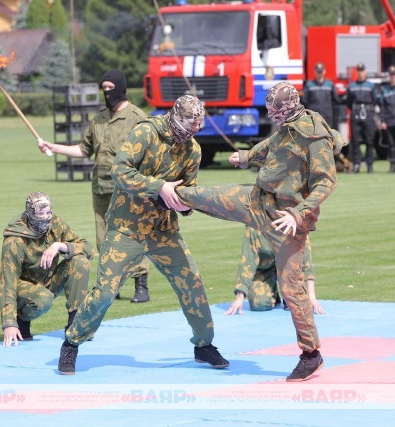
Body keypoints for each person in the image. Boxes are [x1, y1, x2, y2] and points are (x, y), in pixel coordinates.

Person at [173, 81, 344, 382]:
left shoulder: (314, 136)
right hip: (258, 200)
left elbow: (326, 182)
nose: (270, 116)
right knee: (208, 196)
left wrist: (298, 213)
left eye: (273, 111)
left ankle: (311, 355)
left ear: (285, 109)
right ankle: (166, 195)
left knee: (292, 289)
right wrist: (247, 156)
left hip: (285, 220)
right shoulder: (289, 125)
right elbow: (273, 143)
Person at [57, 95, 230, 374]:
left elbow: (187, 189)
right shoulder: (146, 133)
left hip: (163, 230)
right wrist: (158, 187)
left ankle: (203, 344)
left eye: (198, 126)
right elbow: (119, 170)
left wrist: (187, 204)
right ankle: (72, 343)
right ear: (176, 118)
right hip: (126, 228)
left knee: (192, 283)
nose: (194, 131)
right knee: (105, 292)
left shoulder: (193, 150)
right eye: (190, 125)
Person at [40, 69, 151, 303]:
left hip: (128, 188)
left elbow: (149, 154)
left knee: (131, 236)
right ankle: (112, 283)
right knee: (104, 239)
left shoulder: (137, 117)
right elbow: (83, 150)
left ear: (121, 88)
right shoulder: (99, 119)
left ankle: (141, 284)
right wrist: (53, 147)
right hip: (100, 187)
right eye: (104, 88)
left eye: (111, 88)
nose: (107, 92)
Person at [0, 192, 94, 347]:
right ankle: (21, 321)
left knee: (80, 261)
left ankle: (76, 325)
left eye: (48, 213)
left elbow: (88, 249)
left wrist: (60, 246)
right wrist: (9, 323)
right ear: (30, 214)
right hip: (21, 288)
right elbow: (7, 281)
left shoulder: (56, 223)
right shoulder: (14, 240)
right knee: (43, 299)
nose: (46, 218)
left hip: (46, 280)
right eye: (41, 215)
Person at [225, 226, 325, 315]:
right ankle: (273, 294)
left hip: (289, 270)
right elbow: (247, 261)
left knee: (296, 305)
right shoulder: (253, 226)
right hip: (264, 269)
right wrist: (240, 297)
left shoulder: (296, 224)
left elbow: (306, 262)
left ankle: (287, 295)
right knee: (258, 304)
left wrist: (311, 296)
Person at [346, 63, 379, 173]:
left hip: (368, 115)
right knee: (356, 141)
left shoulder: (370, 86)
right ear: (357, 72)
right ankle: (357, 165)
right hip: (356, 115)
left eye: (362, 71)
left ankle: (370, 165)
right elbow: (348, 102)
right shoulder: (352, 86)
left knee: (370, 141)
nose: (360, 73)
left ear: (365, 72)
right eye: (359, 71)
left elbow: (374, 100)